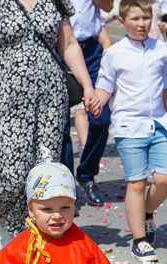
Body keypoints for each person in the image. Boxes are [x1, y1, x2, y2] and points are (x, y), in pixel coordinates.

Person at [0, 0, 101, 246]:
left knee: (45, 173)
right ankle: (8, 244)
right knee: (12, 175)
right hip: (6, 97)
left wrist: (88, 86)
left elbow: (69, 44)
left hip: (50, 99)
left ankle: (40, 247)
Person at [95, 0, 167, 264]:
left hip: (158, 124)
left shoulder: (160, 49)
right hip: (128, 126)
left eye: (145, 18)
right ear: (122, 23)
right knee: (137, 181)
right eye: (135, 19)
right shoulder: (114, 53)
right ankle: (140, 241)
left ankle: (146, 212)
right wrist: (94, 100)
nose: (141, 24)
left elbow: (166, 88)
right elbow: (104, 87)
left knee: (166, 178)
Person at [60, 0, 114, 208]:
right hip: (59, 48)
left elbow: (108, 7)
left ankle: (87, 174)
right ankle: (65, 189)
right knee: (60, 127)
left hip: (91, 50)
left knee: (101, 119)